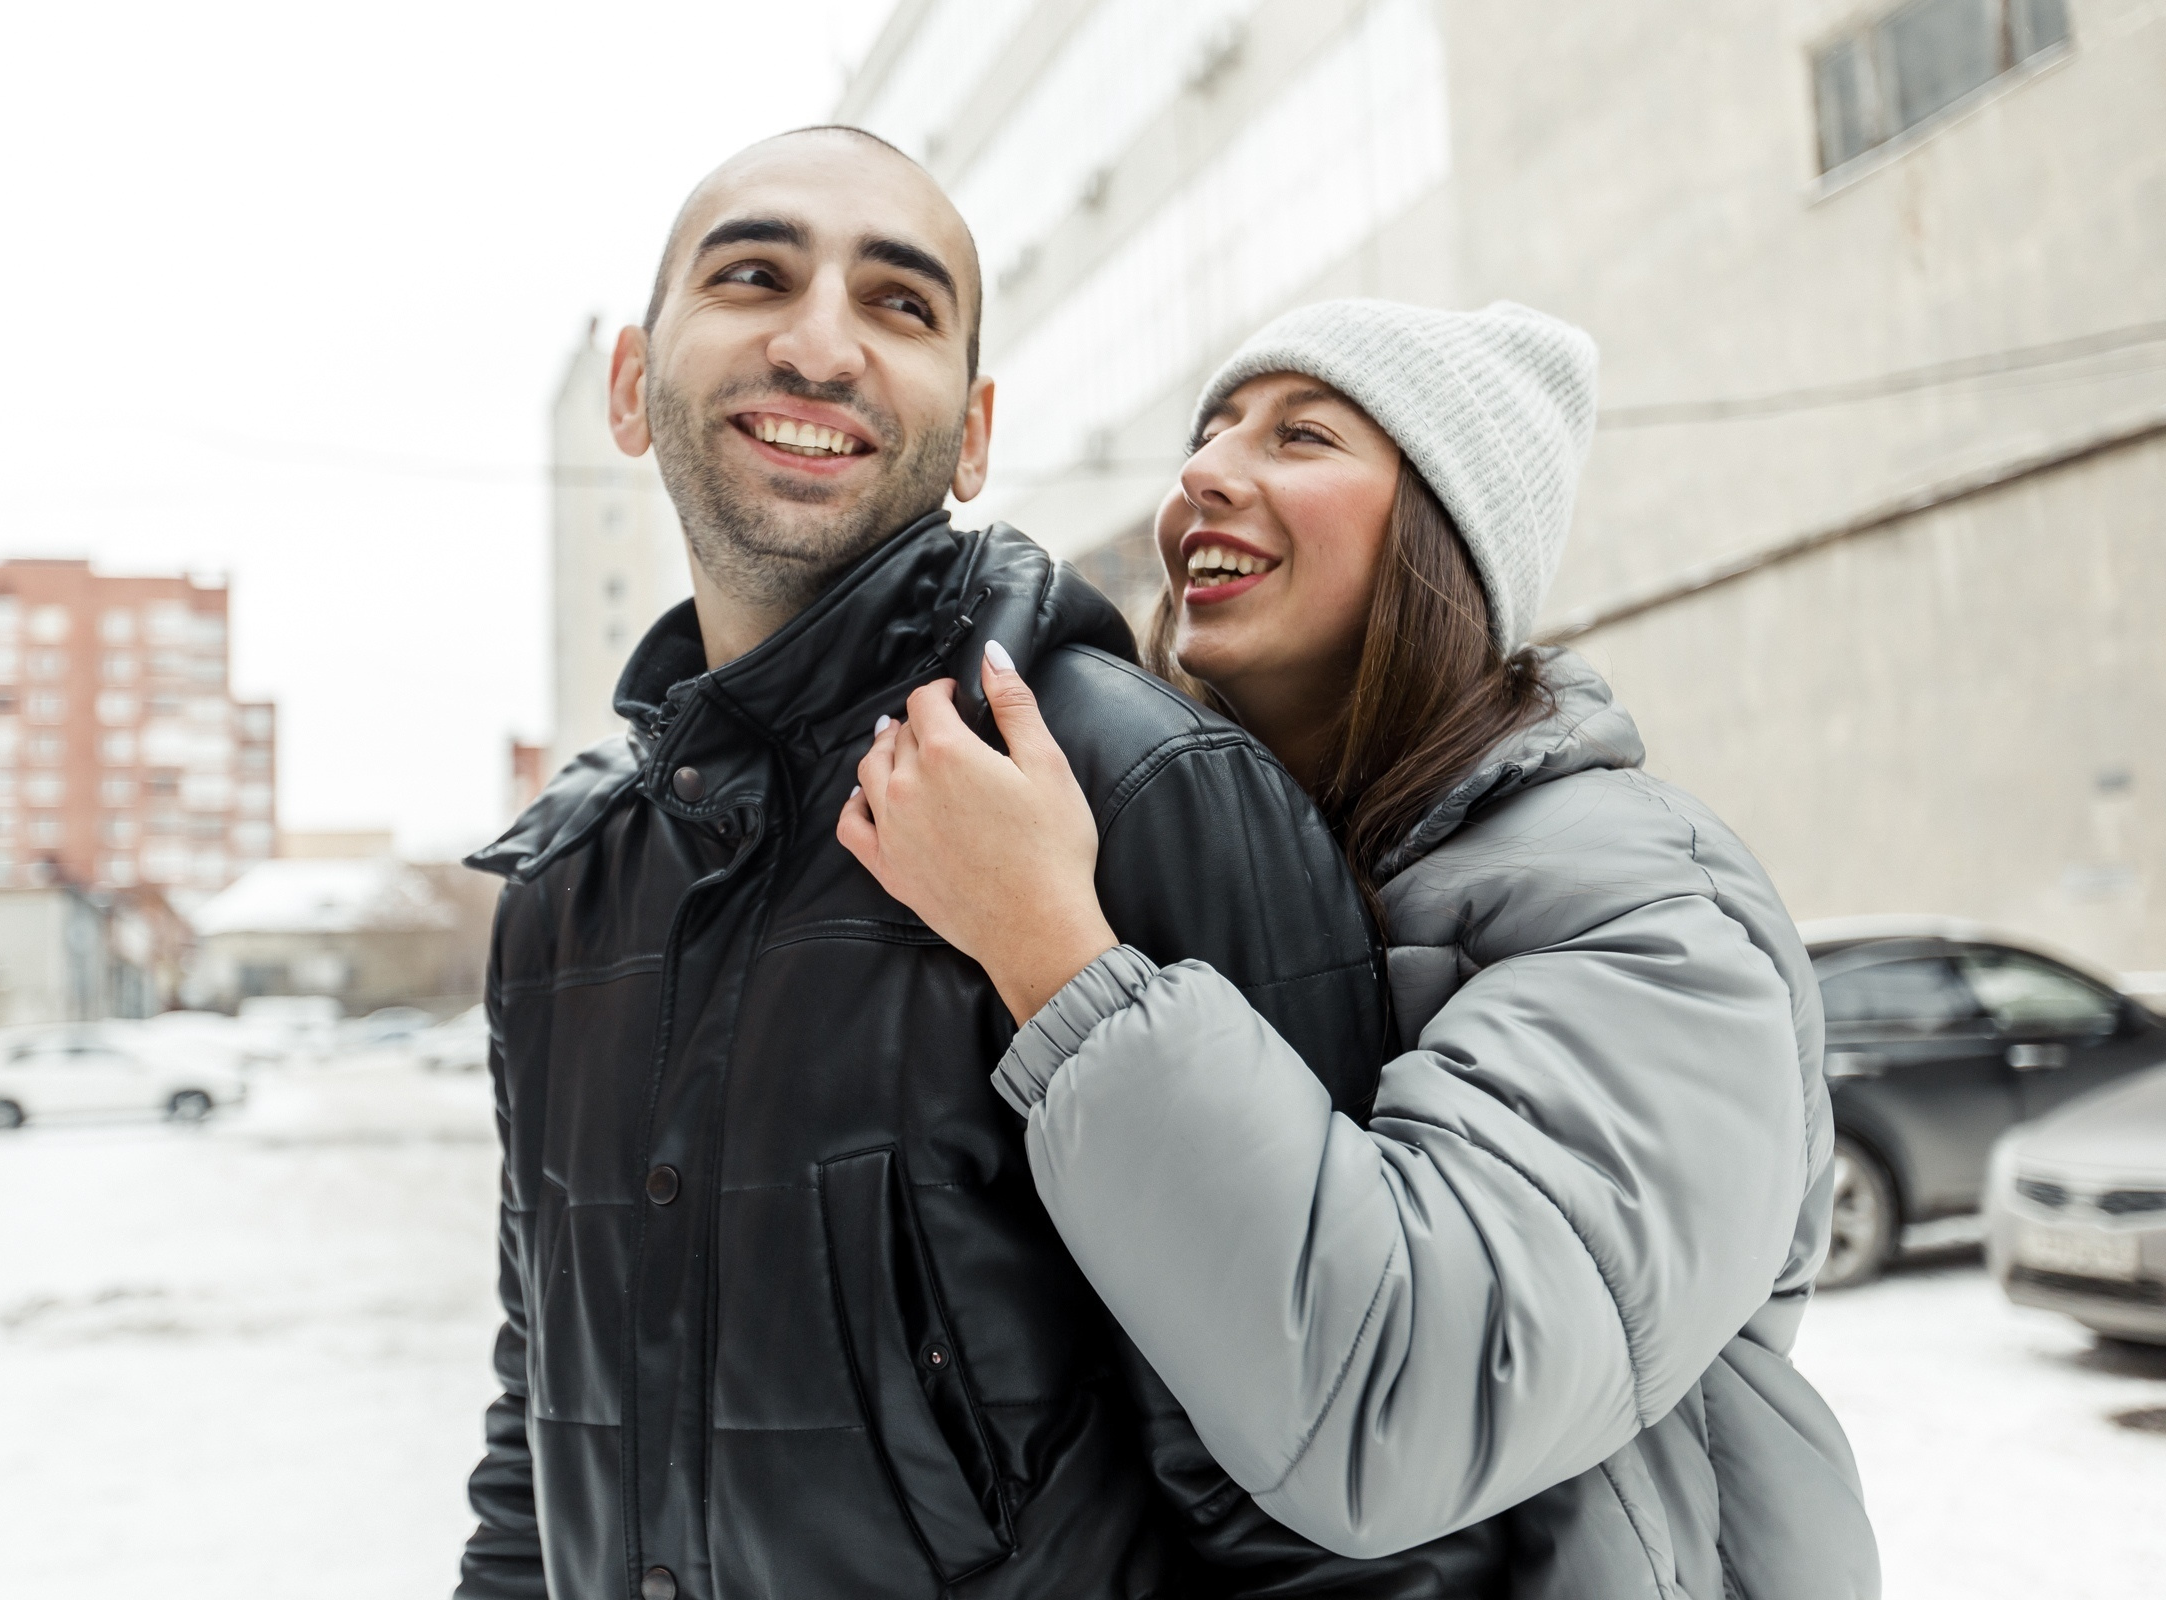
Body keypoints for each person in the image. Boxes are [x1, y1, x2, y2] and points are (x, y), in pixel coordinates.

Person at [456, 131, 1507, 1599]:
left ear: (974, 434)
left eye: (899, 305)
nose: (820, 343)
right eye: (755, 274)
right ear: (633, 387)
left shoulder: (1140, 794)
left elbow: (1336, 1527)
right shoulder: (567, 888)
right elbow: (535, 1440)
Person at [839, 298, 1881, 1599]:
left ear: (1445, 537)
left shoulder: (1647, 914)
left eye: (1303, 436)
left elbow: (1406, 1400)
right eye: (1212, 432)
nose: (1202, 474)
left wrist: (1051, 951)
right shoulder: (1232, 857)